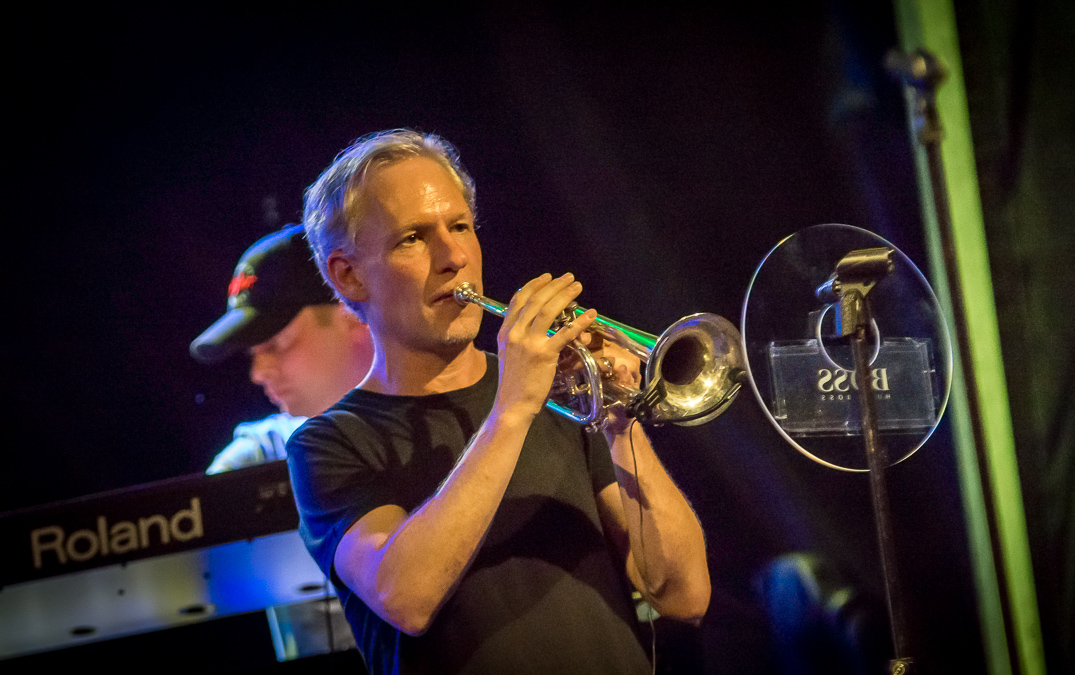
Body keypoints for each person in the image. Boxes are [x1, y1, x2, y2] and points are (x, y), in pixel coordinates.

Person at [286, 129, 712, 674]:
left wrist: (620, 423)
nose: (454, 256)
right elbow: (406, 596)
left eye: (460, 226)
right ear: (348, 275)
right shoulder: (328, 443)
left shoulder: (565, 401)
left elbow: (684, 596)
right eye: (413, 238)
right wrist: (512, 407)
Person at [191, 224, 373, 474]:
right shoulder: (262, 454)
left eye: (275, 345)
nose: (257, 374)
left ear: (352, 315)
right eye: (252, 353)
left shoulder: (429, 429)